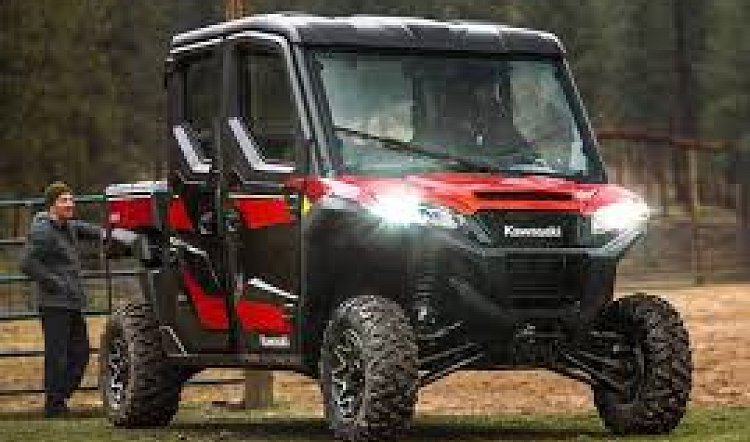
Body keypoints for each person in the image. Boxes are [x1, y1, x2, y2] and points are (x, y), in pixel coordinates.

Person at [19, 182, 102, 417]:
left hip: (71, 301)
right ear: (52, 205)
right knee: (56, 355)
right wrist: (54, 282)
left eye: (71, 199)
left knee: (81, 352)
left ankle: (58, 398)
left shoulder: (67, 226)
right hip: (54, 304)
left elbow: (91, 230)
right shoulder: (43, 231)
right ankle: (54, 405)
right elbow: (27, 263)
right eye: (64, 200)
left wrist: (117, 233)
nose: (70, 204)